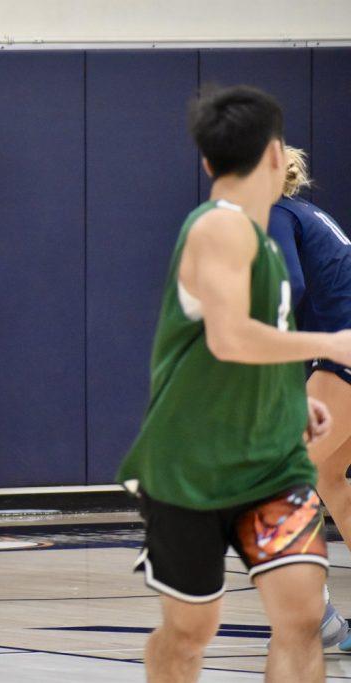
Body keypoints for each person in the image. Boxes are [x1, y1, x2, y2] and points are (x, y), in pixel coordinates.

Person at [116, 85, 351, 682]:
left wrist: (289, 395)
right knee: (191, 631)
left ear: (205, 161)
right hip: (192, 467)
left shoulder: (268, 233)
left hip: (271, 465)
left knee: (300, 619)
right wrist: (330, 345)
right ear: (276, 154)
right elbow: (229, 338)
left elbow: (260, 337)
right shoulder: (219, 230)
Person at [269, 145, 351, 648]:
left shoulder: (276, 212)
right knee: (328, 478)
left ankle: (314, 619)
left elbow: (288, 286)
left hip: (343, 349)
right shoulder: (305, 212)